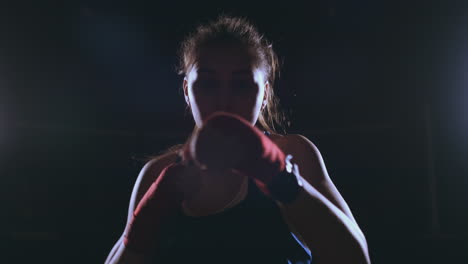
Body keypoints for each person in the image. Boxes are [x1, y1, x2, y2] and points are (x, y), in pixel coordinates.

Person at [104, 15, 370, 264]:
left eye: (241, 84)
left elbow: (357, 258)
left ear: (264, 94)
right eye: (208, 83)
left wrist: (282, 179)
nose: (224, 100)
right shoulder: (157, 173)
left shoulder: (294, 153)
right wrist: (149, 215)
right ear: (187, 91)